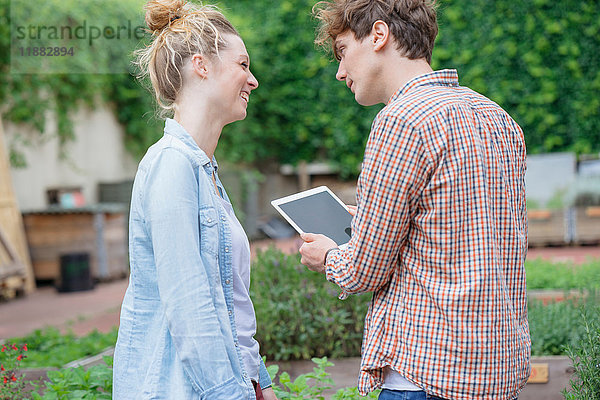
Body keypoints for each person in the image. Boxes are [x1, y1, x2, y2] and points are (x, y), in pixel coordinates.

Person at [299, 1, 531, 399]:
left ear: (378, 35)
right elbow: (461, 228)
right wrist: (372, 218)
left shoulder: (401, 120)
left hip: (426, 375)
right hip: (498, 372)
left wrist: (329, 255)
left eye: (342, 52)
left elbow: (363, 271)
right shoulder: (498, 118)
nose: (339, 72)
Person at [112, 1, 277, 399]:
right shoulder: (172, 166)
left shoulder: (205, 172)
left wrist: (260, 383)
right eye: (242, 64)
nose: (252, 80)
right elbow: (189, 308)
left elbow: (229, 304)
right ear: (201, 66)